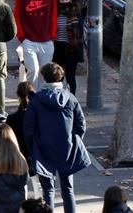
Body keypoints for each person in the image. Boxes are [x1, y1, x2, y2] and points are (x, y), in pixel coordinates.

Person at [24, 63, 90, 213]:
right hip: (67, 148)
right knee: (68, 189)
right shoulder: (70, 98)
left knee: (48, 190)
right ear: (61, 77)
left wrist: (32, 148)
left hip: (43, 149)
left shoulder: (36, 101)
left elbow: (29, 129)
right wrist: (75, 140)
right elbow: (81, 124)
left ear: (43, 77)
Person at [14, 0, 57, 87]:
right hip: (29, 40)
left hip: (46, 40)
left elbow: (53, 16)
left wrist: (52, 36)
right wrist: (22, 37)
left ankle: (42, 96)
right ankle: (32, 96)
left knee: (44, 73)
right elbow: (17, 17)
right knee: (32, 70)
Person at [53, 0, 84, 95]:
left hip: (71, 48)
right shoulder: (55, 12)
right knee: (57, 76)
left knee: (70, 76)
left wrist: (79, 52)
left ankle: (72, 99)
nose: (64, 1)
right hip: (58, 48)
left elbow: (80, 33)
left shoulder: (76, 12)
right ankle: (58, 97)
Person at [5, 81, 35, 174]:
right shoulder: (38, 117)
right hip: (37, 157)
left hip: (19, 158)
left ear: (17, 95)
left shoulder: (11, 119)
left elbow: (9, 142)